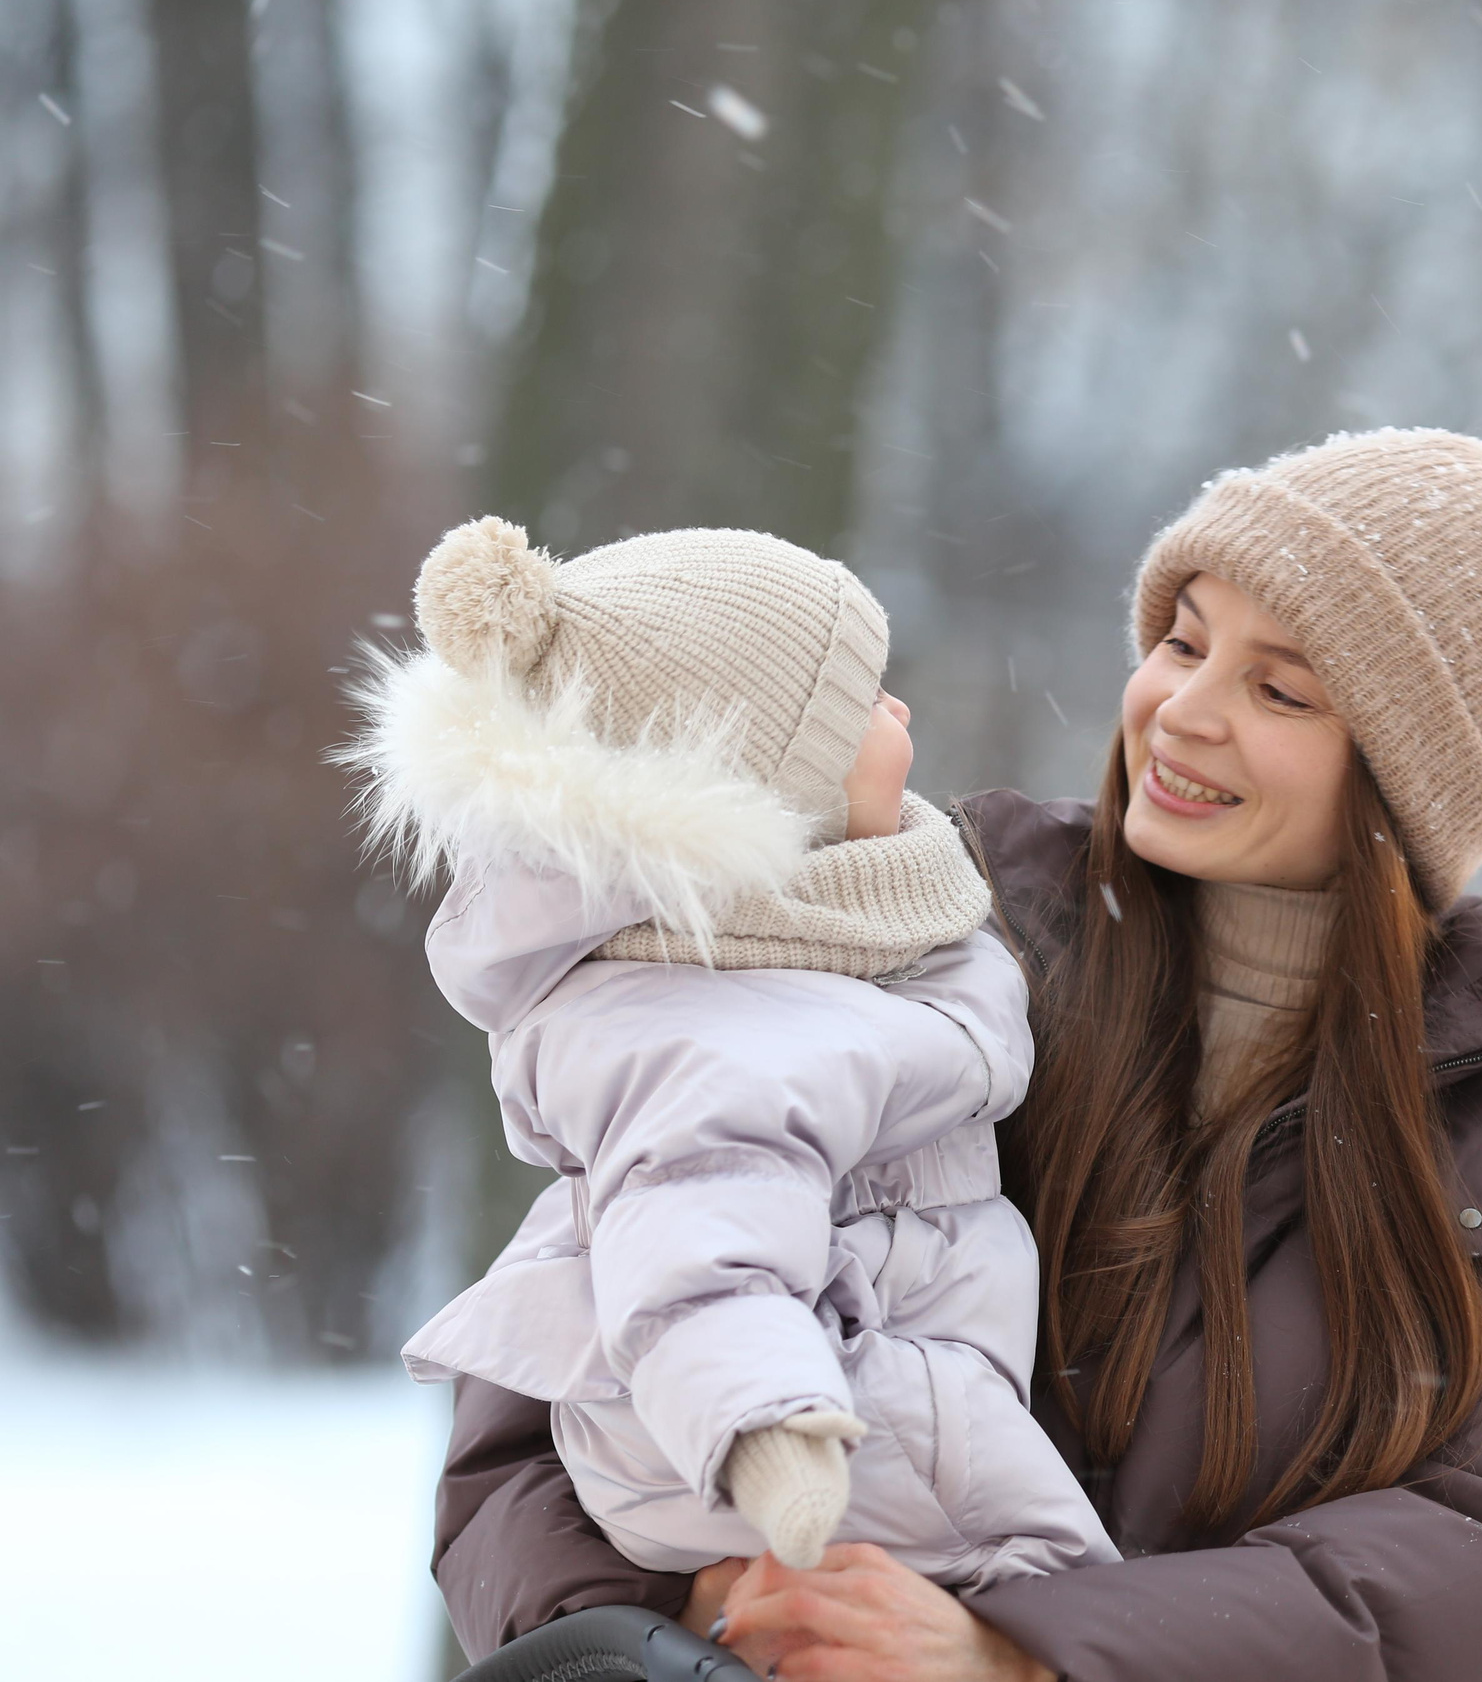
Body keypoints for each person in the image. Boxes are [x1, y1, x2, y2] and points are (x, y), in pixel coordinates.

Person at [430, 429, 1482, 1682]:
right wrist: (686, 1615)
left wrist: (1024, 1656)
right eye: (1182, 642)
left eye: (1280, 692)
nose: (1183, 711)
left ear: (1413, 782)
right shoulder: (921, 946)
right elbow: (544, 1394)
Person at [348, 518, 1117, 1587]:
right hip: (808, 1436)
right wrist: (770, 1428)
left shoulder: (794, 958)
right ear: (774, 789)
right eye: (864, 704)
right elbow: (700, 1241)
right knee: (1067, 1596)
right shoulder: (709, 1026)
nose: (900, 714)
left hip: (843, 1389)